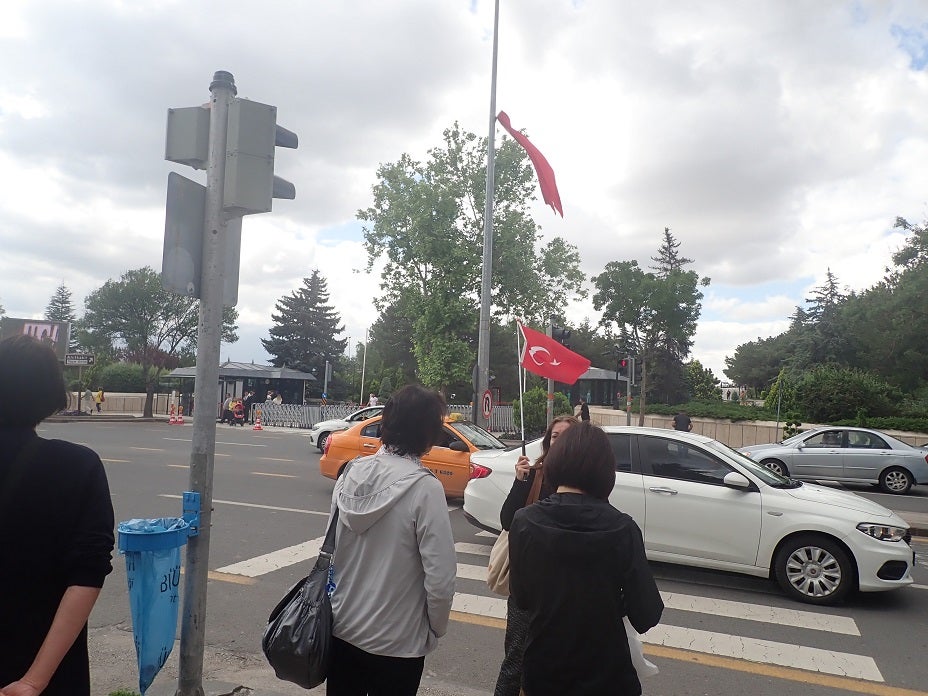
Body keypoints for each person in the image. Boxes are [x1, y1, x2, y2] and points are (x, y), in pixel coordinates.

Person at [509, 422, 663, 696]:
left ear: (555, 462)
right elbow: (647, 614)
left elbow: (521, 598)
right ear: (606, 471)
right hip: (606, 675)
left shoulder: (525, 522)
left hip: (543, 672)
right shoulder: (622, 529)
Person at [0, 335, 115, 696]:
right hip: (44, 672)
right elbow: (87, 574)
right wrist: (34, 680)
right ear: (52, 395)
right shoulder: (77, 466)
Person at [326, 384, 456, 695]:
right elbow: (440, 579)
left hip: (342, 630)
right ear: (429, 434)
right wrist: (436, 627)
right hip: (398, 642)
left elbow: (332, 549)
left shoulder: (350, 473)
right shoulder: (425, 488)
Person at [494, 415, 578, 696]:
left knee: (557, 662)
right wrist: (520, 481)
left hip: (566, 588)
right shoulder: (534, 474)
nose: (560, 441)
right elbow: (508, 521)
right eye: (555, 436)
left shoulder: (585, 481)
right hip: (527, 585)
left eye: (567, 436)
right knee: (515, 661)